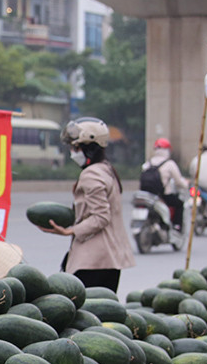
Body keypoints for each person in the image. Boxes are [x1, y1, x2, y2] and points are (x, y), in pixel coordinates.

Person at [38, 117, 135, 293]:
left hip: (93, 260)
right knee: (103, 313)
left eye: (75, 147)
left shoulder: (91, 175)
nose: (72, 152)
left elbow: (101, 216)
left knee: (86, 313)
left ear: (89, 148)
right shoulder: (107, 169)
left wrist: (70, 230)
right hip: (109, 259)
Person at [140, 138, 189, 230]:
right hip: (163, 196)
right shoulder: (169, 164)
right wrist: (186, 185)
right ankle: (177, 225)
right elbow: (178, 181)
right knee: (179, 204)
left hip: (147, 196)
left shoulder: (148, 163)